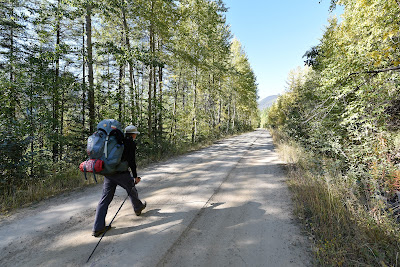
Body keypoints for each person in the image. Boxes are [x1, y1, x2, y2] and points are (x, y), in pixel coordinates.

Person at [92, 125, 146, 237]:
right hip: (121, 173)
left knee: (105, 199)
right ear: (133, 134)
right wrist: (135, 176)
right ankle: (138, 207)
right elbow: (132, 161)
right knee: (131, 189)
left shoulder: (115, 141)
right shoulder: (129, 143)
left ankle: (98, 227)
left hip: (108, 173)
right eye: (135, 134)